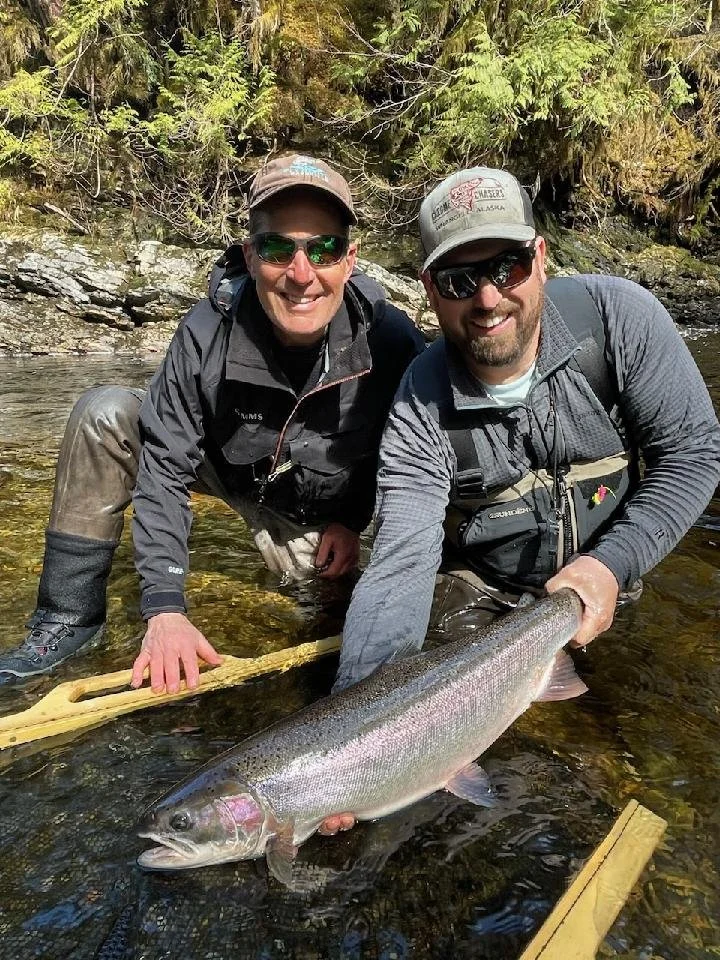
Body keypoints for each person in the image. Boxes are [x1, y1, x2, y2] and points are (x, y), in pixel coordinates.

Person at [0, 154, 425, 692]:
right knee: (106, 413)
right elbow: (162, 465)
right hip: (223, 468)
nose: (301, 274)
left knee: (335, 625)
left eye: (323, 249)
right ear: (250, 256)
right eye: (278, 248)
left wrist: (352, 520)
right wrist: (164, 608)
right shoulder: (206, 332)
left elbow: (407, 454)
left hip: (310, 510)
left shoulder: (391, 342)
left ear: (350, 259)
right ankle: (67, 621)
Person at [333, 165, 720, 694]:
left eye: (506, 267)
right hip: (479, 599)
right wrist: (359, 704)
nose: (488, 298)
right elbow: (402, 560)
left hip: (608, 577)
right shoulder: (418, 407)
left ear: (539, 259)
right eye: (459, 281)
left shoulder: (619, 322)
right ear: (429, 290)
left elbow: (692, 454)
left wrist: (611, 564)